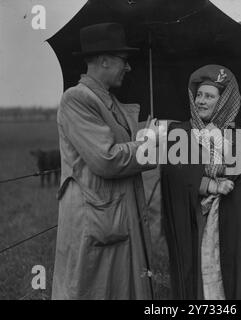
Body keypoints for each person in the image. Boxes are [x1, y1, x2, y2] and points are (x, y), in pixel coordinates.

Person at [52, 23, 165, 299]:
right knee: (92, 288)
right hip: (96, 219)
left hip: (116, 216)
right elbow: (107, 158)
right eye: (123, 61)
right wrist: (147, 145)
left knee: (122, 288)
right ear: (103, 60)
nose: (127, 68)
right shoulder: (76, 99)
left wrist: (146, 136)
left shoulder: (110, 101)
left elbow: (121, 146)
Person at [160, 65, 241, 300]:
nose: (201, 101)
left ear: (224, 101)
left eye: (209, 96)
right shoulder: (179, 133)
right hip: (193, 227)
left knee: (227, 286)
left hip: (229, 227)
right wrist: (208, 183)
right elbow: (174, 175)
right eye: (198, 95)